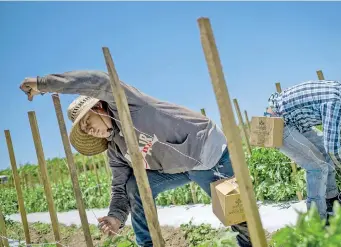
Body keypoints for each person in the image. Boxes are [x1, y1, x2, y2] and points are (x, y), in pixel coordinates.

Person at [19, 70, 251, 247]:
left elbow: (100, 81)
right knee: (135, 185)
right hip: (177, 168)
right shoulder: (116, 149)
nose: (89, 130)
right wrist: (115, 217)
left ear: (100, 107)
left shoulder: (129, 105)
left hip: (206, 153)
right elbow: (119, 187)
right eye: (85, 131)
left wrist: (44, 84)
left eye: (88, 123)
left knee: (238, 217)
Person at [265, 73, 341, 223]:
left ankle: (331, 199)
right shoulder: (335, 101)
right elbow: (332, 146)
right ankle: (317, 221)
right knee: (317, 166)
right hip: (278, 125)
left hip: (295, 123)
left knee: (324, 154)